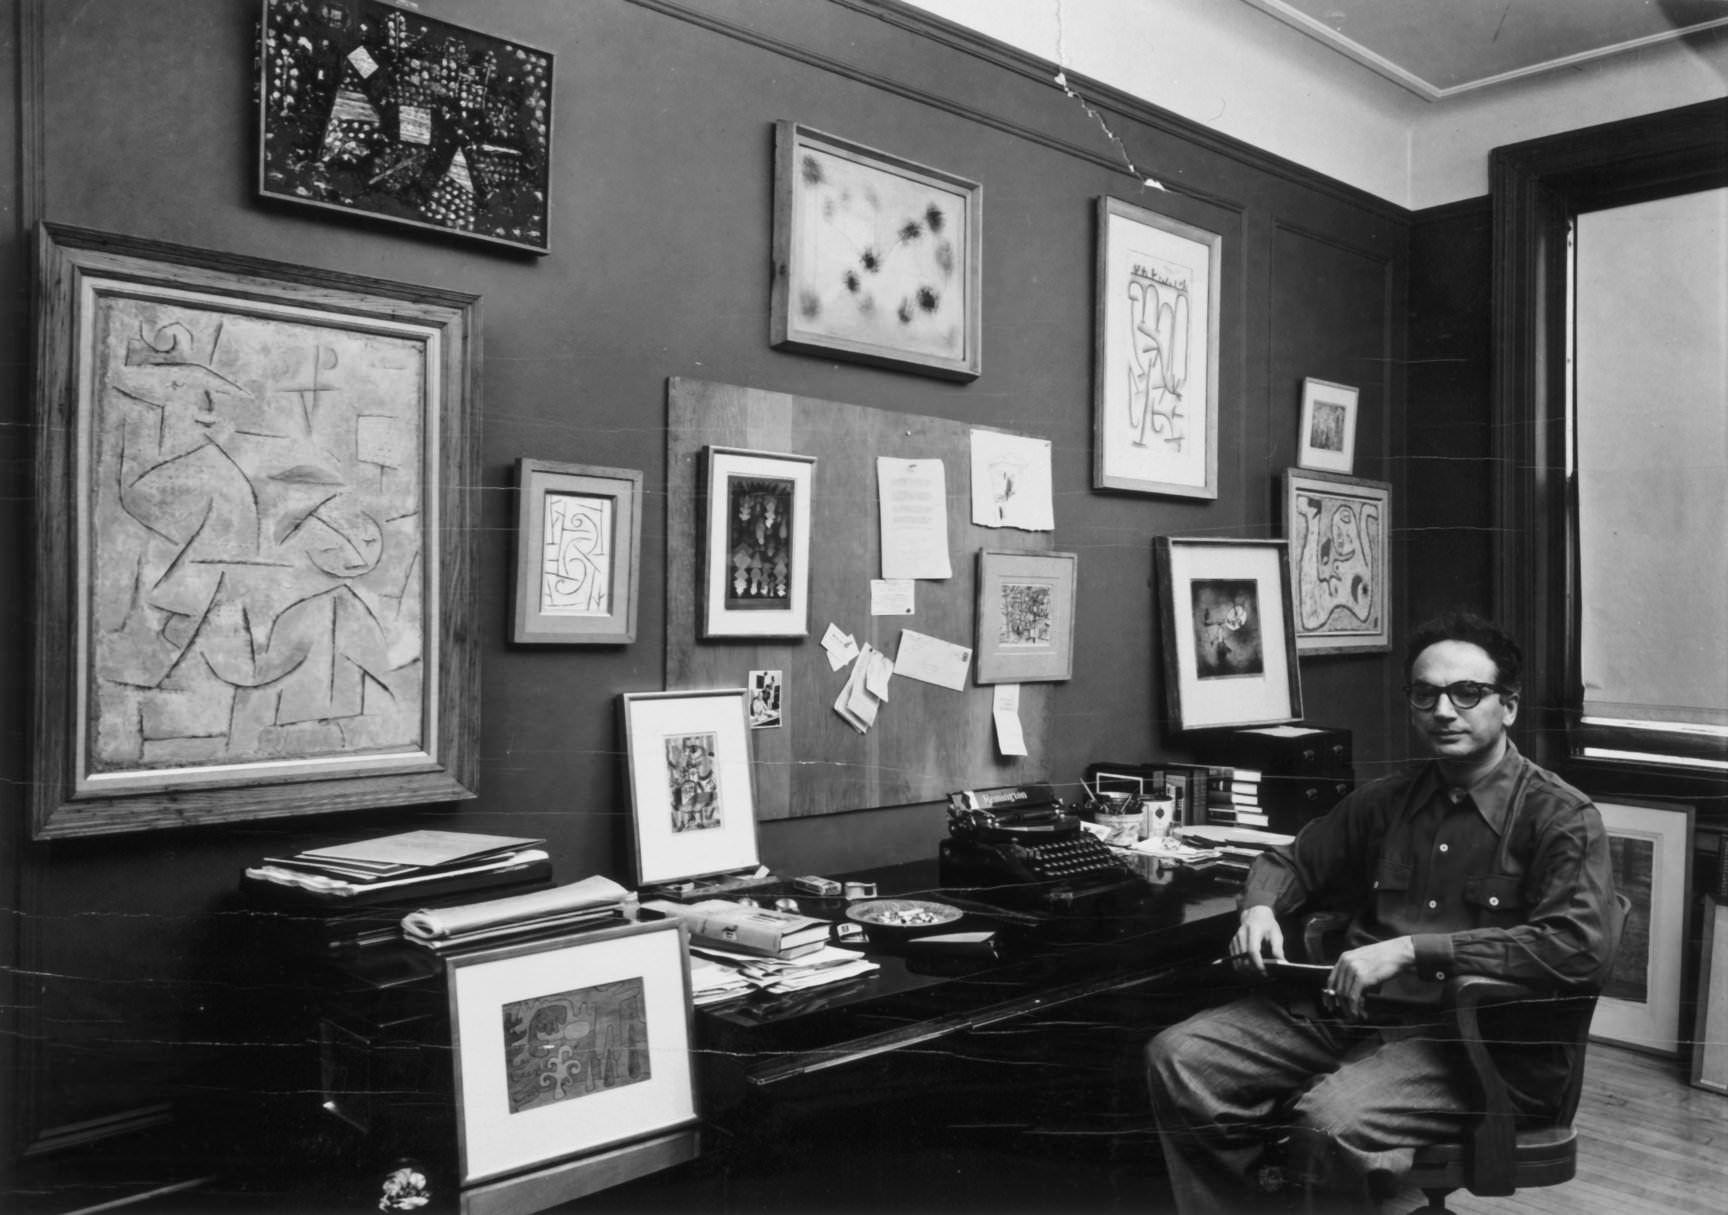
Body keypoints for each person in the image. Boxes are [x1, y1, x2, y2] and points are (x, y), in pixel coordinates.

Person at [1145, 610, 1619, 1213]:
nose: (1444, 711)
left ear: (1509, 706)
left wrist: (1408, 951)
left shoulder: (1561, 818)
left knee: (1324, 1120)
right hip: (1354, 1014)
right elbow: (1290, 862)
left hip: (1473, 1047)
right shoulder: (1386, 800)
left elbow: (1579, 948)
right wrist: (1259, 909)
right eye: (1426, 695)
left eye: (1467, 693)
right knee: (1182, 1059)